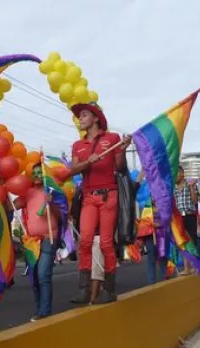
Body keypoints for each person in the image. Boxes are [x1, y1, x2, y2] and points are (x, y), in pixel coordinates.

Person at [68, 102, 131, 305]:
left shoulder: (112, 139)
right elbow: (74, 170)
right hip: (88, 197)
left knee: (105, 243)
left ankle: (109, 289)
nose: (80, 119)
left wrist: (122, 150)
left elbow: (119, 167)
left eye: (84, 115)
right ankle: (84, 289)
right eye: (79, 116)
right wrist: (89, 161)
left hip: (108, 195)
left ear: (96, 118)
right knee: (85, 240)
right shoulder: (78, 145)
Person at [14, 163, 61, 321]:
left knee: (43, 275)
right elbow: (11, 206)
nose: (37, 176)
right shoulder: (27, 192)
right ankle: (40, 307)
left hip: (48, 238)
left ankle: (44, 311)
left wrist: (51, 202)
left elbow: (61, 216)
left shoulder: (53, 191)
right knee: (34, 276)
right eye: (34, 173)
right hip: (31, 242)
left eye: (40, 172)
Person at [175, 167, 198, 275]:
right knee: (183, 242)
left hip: (189, 216)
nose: (174, 176)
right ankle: (187, 268)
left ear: (182, 174)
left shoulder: (190, 184)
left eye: (176, 173)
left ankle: (195, 266)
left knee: (192, 241)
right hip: (179, 218)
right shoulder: (174, 188)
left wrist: (192, 188)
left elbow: (194, 201)